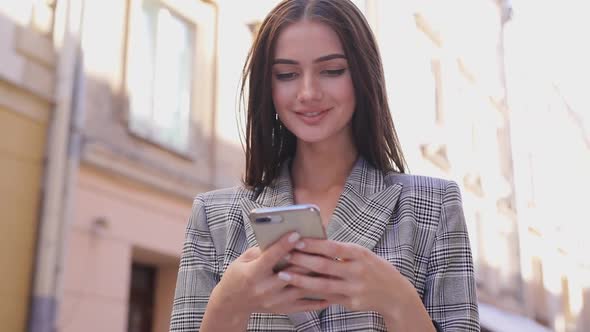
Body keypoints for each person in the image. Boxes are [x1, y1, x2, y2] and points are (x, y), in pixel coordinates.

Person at [169, 0, 479, 331]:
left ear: (362, 75)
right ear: (268, 87)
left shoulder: (433, 205)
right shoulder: (214, 216)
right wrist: (226, 304)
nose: (308, 92)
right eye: (286, 74)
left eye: (332, 70)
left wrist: (398, 301)